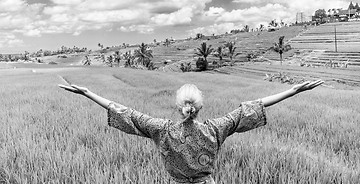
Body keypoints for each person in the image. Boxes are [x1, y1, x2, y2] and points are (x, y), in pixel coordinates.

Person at [59, 79, 323, 184]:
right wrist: (293, 91)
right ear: (200, 107)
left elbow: (124, 111)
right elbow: (252, 107)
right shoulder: (216, 128)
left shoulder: (162, 130)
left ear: (179, 107)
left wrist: (88, 93)